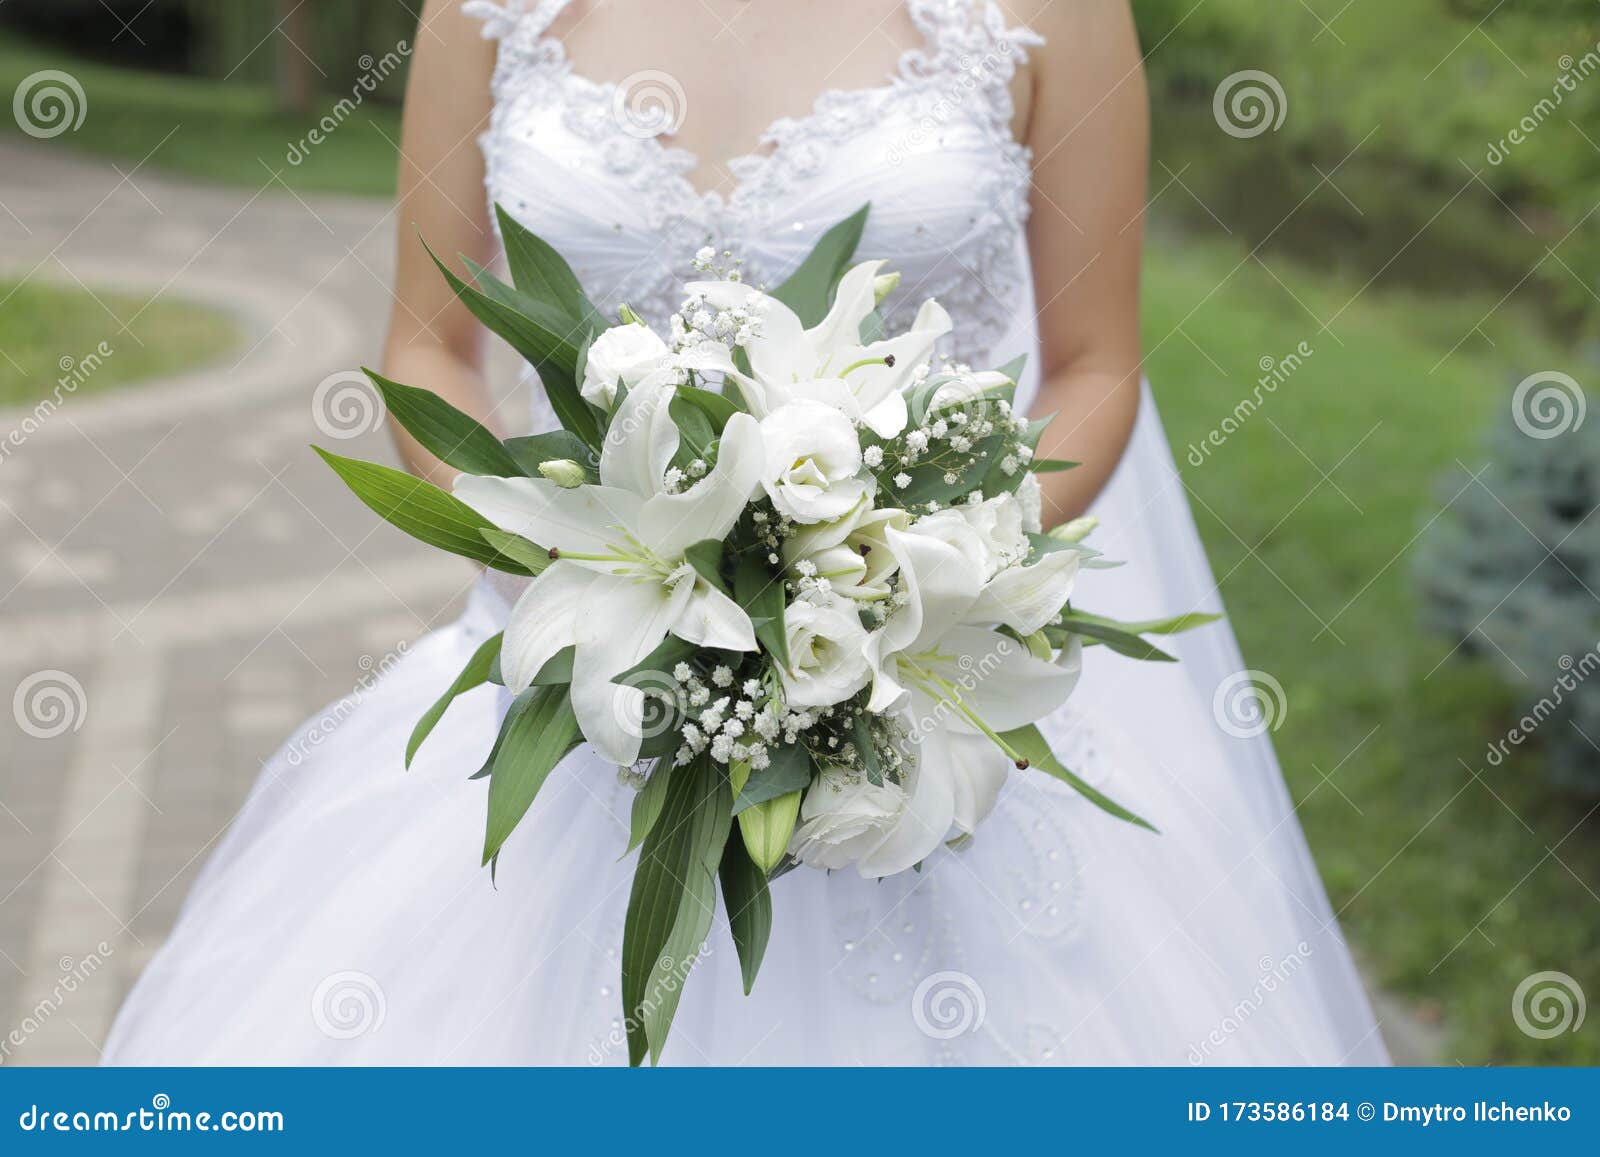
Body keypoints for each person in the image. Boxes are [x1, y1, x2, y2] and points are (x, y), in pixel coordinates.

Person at [104, 0, 1388, 1065]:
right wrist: (564, 560)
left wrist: (895, 574)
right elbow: (425, 346)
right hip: (574, 672)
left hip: (906, 689)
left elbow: (1097, 367)